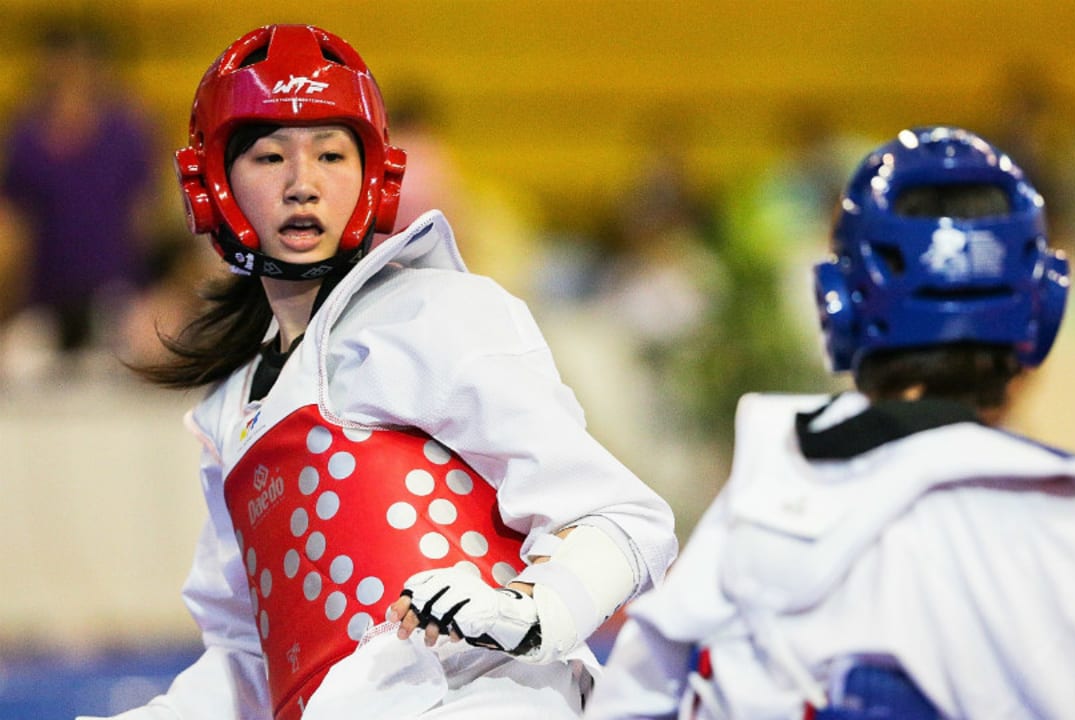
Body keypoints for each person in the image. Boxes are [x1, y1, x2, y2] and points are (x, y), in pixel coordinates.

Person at [84, 24, 676, 720]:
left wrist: (536, 606)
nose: (303, 184)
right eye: (270, 156)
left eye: (331, 154)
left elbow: (624, 517)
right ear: (213, 181)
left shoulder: (437, 313)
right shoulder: (229, 411)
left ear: (374, 176)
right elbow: (249, 659)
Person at [585, 126, 1075, 719]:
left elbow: (633, 695)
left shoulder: (766, 480)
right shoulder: (1047, 526)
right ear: (1042, 318)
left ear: (838, 306)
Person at [0, 18, 157, 360]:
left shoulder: (125, 132)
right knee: (20, 360)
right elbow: (13, 233)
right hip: (44, 300)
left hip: (116, 296)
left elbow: (142, 222)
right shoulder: (25, 137)